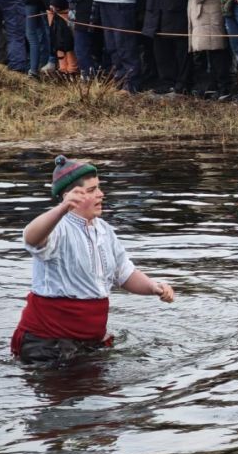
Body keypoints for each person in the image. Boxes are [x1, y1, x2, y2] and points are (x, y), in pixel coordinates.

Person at [11, 155, 174, 364]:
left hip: (89, 339)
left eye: (98, 188)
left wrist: (154, 287)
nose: (100, 194)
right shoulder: (57, 228)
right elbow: (30, 238)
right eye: (91, 190)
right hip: (47, 342)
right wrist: (62, 209)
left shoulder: (104, 230)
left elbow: (124, 273)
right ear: (70, 196)